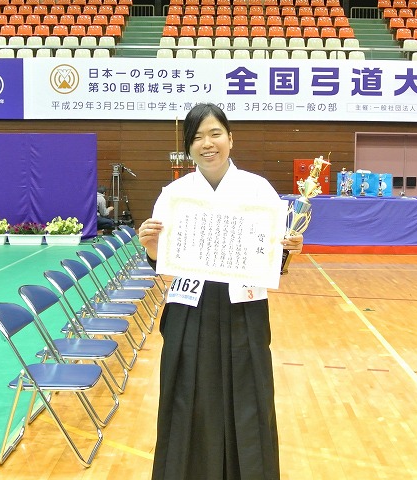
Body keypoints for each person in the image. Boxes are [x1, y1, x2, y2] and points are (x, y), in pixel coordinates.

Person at [138, 103, 303, 480]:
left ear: (231, 138)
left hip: (244, 309)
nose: (207, 144)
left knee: (249, 401)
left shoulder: (258, 189)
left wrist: (288, 248)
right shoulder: (175, 194)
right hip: (189, 310)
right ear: (188, 147)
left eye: (215, 134)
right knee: (187, 403)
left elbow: (272, 256)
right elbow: (162, 261)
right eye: (197, 137)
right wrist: (151, 247)